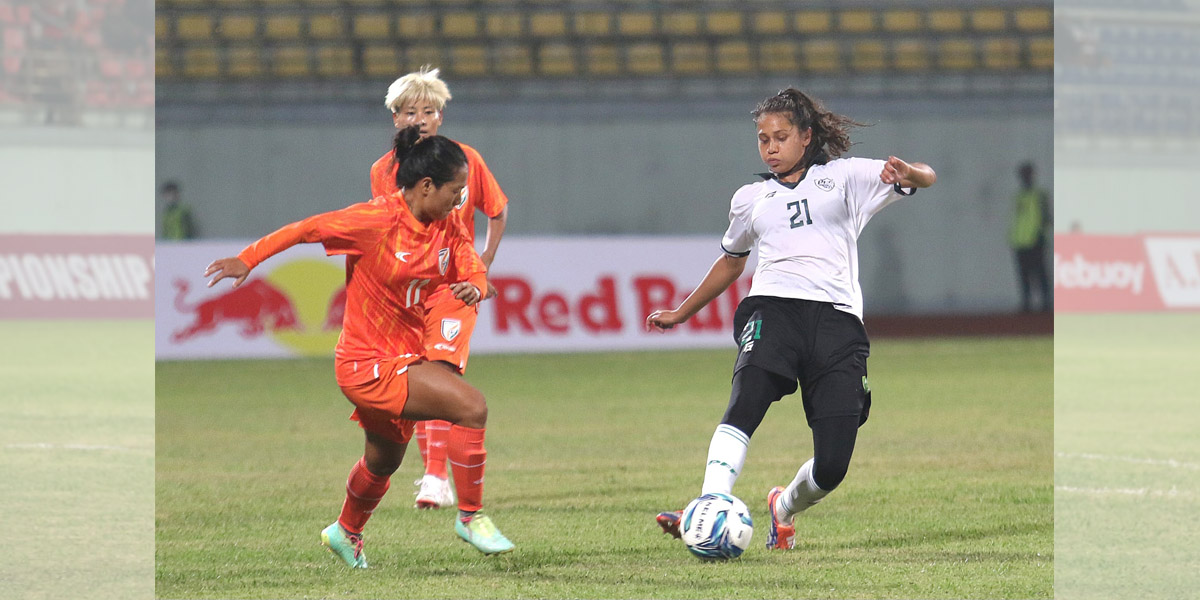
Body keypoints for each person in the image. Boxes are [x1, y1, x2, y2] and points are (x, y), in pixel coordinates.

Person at [204, 126, 514, 568]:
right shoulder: (375, 220)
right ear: (426, 186)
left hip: (406, 359)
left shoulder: (445, 224)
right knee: (471, 407)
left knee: (382, 461)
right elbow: (307, 229)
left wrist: (477, 287)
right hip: (368, 364)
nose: (460, 200)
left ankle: (345, 532)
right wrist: (248, 259)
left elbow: (471, 265)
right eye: (455, 191)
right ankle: (471, 516)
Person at [646, 88, 936, 550]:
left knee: (833, 466)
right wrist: (682, 311)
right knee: (747, 398)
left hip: (837, 323)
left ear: (806, 137)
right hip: (772, 309)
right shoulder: (750, 198)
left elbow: (927, 176)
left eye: (781, 137)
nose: (771, 147)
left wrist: (909, 172)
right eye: (763, 139)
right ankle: (711, 503)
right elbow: (731, 261)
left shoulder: (845, 177)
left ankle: (782, 508)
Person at [368, 66, 510, 510]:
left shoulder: (465, 159)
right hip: (410, 292)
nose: (420, 119)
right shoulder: (383, 170)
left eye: (429, 111)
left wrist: (482, 264)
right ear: (395, 118)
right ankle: (429, 475)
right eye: (410, 112)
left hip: (454, 285)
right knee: (418, 377)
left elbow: (498, 210)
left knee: (441, 373)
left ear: (441, 117)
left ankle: (434, 478)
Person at [1009, 162, 1051, 312]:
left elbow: (1046, 216)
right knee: (1024, 275)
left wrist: (1041, 233)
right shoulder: (1019, 196)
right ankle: (1026, 303)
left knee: (1040, 274)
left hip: (1035, 240)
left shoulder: (1039, 195)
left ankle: (1046, 303)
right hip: (1020, 241)